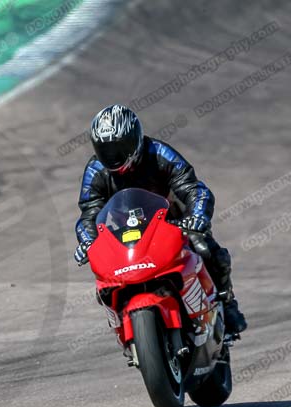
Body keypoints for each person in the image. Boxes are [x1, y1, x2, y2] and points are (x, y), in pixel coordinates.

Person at [73, 104, 247, 335]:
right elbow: (89, 212)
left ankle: (227, 302)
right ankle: (123, 330)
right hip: (124, 232)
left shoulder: (160, 154)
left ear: (135, 140)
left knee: (206, 249)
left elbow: (194, 189)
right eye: (105, 150)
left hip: (171, 221)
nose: (113, 157)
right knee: (104, 280)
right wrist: (88, 241)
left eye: (119, 148)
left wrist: (197, 216)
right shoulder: (96, 170)